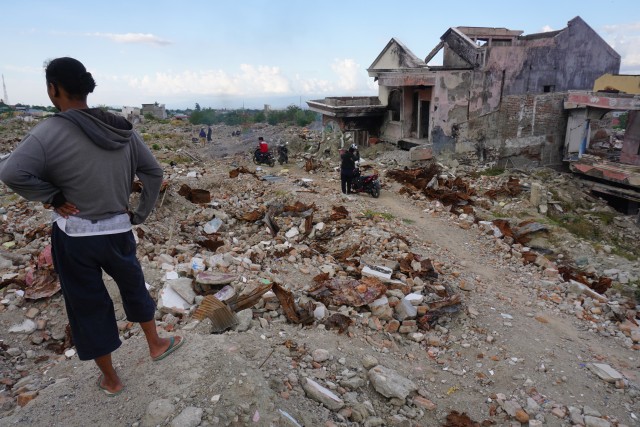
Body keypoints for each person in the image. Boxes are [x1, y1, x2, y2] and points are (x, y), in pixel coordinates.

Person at [0, 57, 185, 397]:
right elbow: (154, 173)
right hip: (118, 230)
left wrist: (51, 196)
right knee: (133, 285)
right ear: (87, 86)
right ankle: (157, 344)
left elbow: (11, 173)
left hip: (75, 237)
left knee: (88, 304)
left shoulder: (48, 131)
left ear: (53, 89)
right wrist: (139, 213)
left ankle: (112, 380)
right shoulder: (122, 129)